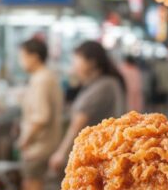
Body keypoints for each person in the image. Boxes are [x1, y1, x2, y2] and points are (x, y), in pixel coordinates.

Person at [48, 41, 126, 172]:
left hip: (100, 154)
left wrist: (61, 153)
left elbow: (78, 123)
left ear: (92, 62)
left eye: (77, 61)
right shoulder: (102, 83)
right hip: (99, 152)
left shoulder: (104, 85)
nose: (74, 66)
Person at [16, 36, 64, 190]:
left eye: (22, 56)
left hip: (38, 147)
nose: (21, 61)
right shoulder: (46, 77)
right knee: (34, 188)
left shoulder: (41, 80)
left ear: (34, 56)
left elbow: (41, 117)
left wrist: (25, 141)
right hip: (47, 144)